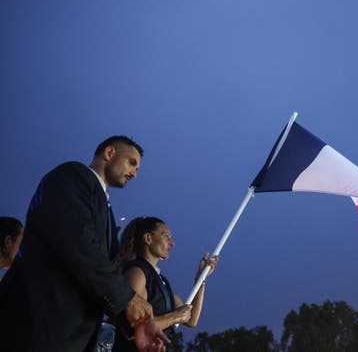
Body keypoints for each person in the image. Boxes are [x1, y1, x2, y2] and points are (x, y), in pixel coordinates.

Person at [0, 136, 168, 351]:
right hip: (38, 326)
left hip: (73, 337)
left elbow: (101, 277)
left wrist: (135, 324)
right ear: (109, 153)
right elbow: (81, 244)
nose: (135, 173)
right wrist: (128, 298)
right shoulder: (72, 176)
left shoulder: (107, 211)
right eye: (131, 163)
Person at [112, 217, 218, 352]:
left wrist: (201, 278)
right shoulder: (136, 272)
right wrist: (175, 317)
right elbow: (132, 328)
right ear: (148, 238)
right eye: (166, 236)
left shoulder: (160, 281)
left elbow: (191, 319)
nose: (172, 243)